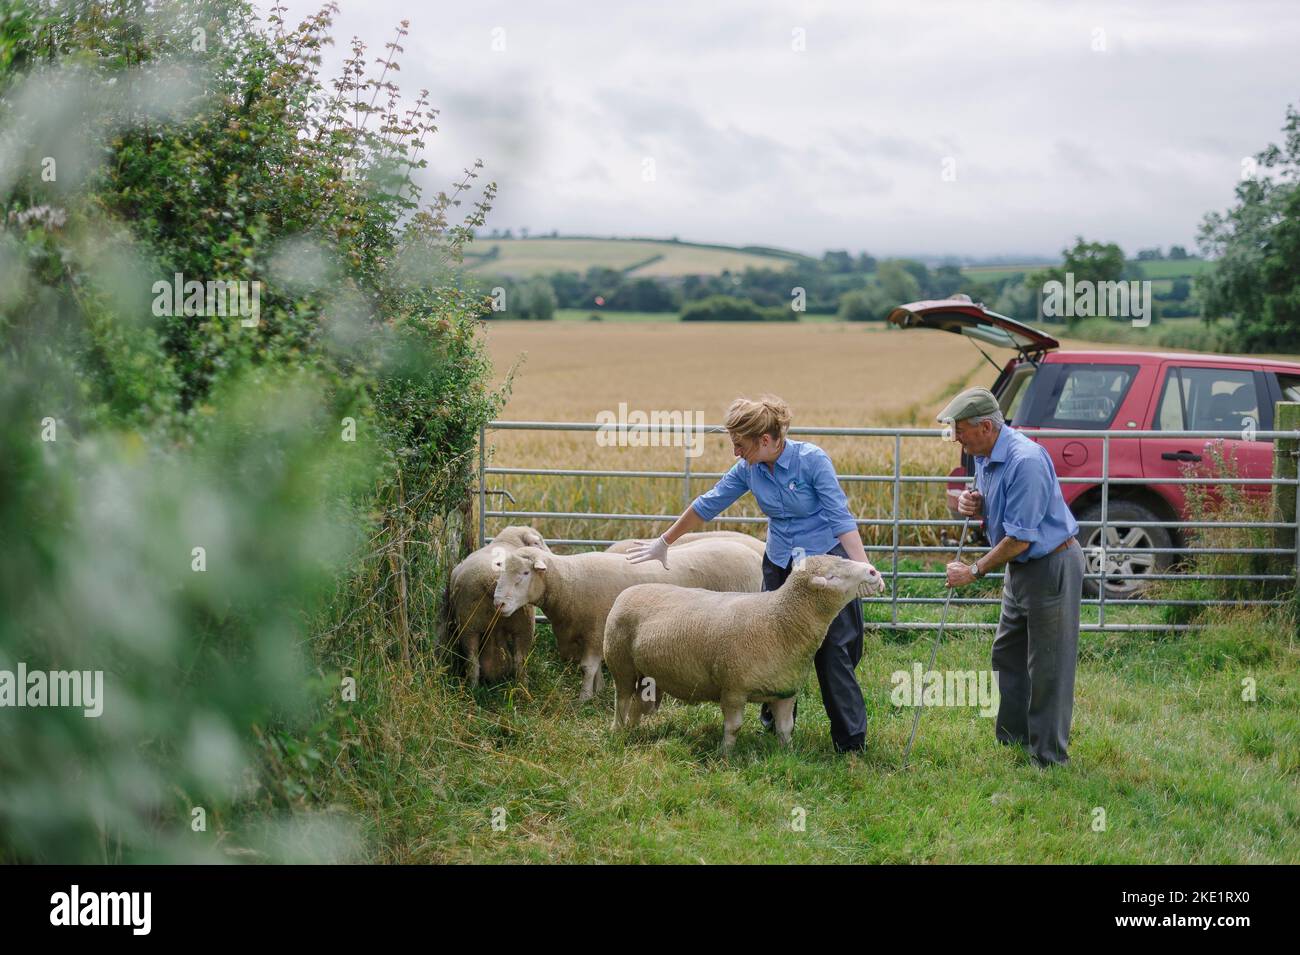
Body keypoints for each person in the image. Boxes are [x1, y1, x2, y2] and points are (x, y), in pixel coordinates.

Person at [626, 395, 883, 753]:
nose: (735, 452)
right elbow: (709, 502)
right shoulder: (750, 468)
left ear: (765, 440)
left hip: (825, 567)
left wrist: (865, 568)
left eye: (739, 445)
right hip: (780, 563)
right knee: (767, 642)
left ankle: (850, 742)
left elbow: (840, 519)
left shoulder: (812, 462)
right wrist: (664, 541)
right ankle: (774, 724)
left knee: (834, 652)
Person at [939, 387, 1085, 767]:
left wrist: (973, 570)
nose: (956, 437)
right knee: (1007, 654)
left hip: (1049, 564)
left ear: (986, 426)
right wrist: (975, 502)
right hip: (1019, 570)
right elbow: (998, 505)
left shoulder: (1026, 461)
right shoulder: (985, 456)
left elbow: (1020, 538)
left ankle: (1049, 758)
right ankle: (1014, 740)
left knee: (1049, 666)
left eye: (961, 430)